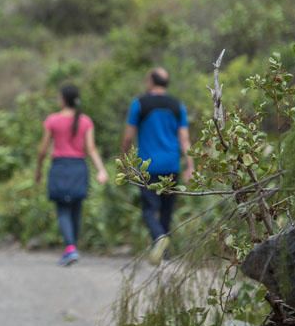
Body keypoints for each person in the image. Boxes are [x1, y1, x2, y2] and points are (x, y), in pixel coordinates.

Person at [120, 67, 193, 262]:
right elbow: (184, 139)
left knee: (149, 210)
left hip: (148, 167)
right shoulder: (178, 106)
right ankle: (165, 252)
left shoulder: (140, 104)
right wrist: (190, 165)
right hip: (171, 165)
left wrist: (125, 160)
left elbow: (128, 137)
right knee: (167, 210)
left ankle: (160, 239)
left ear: (151, 81)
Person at [35, 85, 109, 266]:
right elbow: (91, 148)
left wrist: (38, 170)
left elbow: (43, 149)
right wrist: (101, 169)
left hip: (60, 167)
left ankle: (70, 248)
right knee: (76, 208)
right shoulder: (85, 121)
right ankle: (72, 247)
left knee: (63, 209)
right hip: (79, 167)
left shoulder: (53, 120)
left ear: (62, 99)